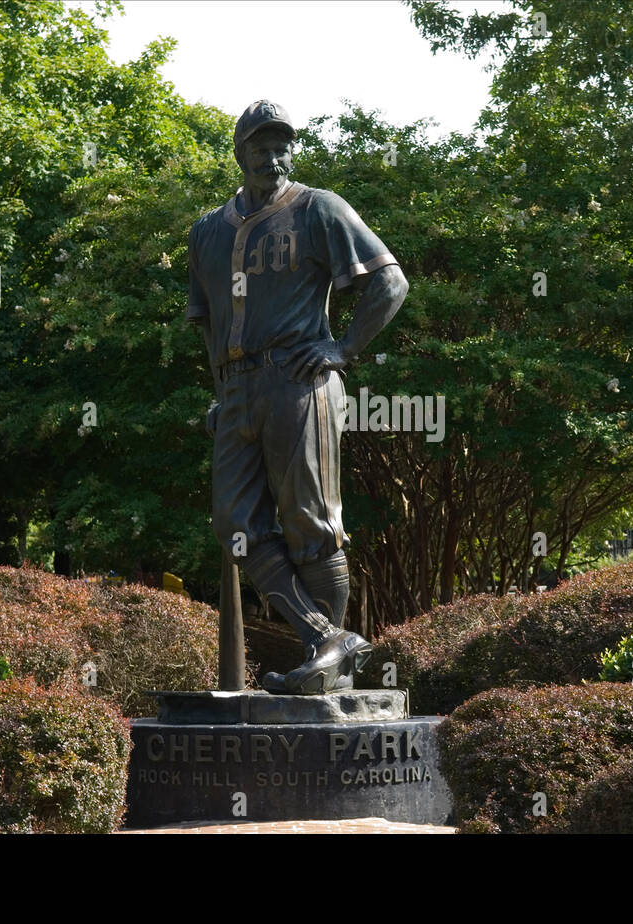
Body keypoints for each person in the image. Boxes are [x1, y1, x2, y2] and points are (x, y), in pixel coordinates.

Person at [187, 100, 409, 694]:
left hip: (299, 379)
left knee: (309, 522)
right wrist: (222, 390)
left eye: (282, 144)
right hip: (238, 390)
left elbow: (391, 280)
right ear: (240, 152)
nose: (273, 155)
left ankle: (328, 674)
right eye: (260, 145)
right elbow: (209, 323)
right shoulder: (207, 230)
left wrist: (343, 348)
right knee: (234, 523)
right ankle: (326, 642)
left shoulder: (318, 208)